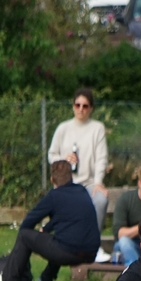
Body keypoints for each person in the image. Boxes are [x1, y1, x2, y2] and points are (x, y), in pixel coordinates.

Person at [0, 160, 101, 281]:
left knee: (25, 236)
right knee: (60, 238)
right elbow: (64, 218)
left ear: (52, 179)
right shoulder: (82, 191)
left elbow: (28, 222)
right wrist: (46, 229)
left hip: (68, 253)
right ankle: (46, 279)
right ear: (71, 177)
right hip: (91, 253)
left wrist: (26, 247)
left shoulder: (54, 196)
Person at [47, 88, 109, 263]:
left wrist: (98, 182)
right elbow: (51, 155)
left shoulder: (97, 128)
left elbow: (102, 158)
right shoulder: (63, 128)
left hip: (88, 182)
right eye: (77, 105)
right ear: (73, 106)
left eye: (85, 106)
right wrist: (63, 159)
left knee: (101, 200)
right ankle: (64, 247)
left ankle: (94, 247)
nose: (81, 109)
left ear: (91, 108)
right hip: (67, 184)